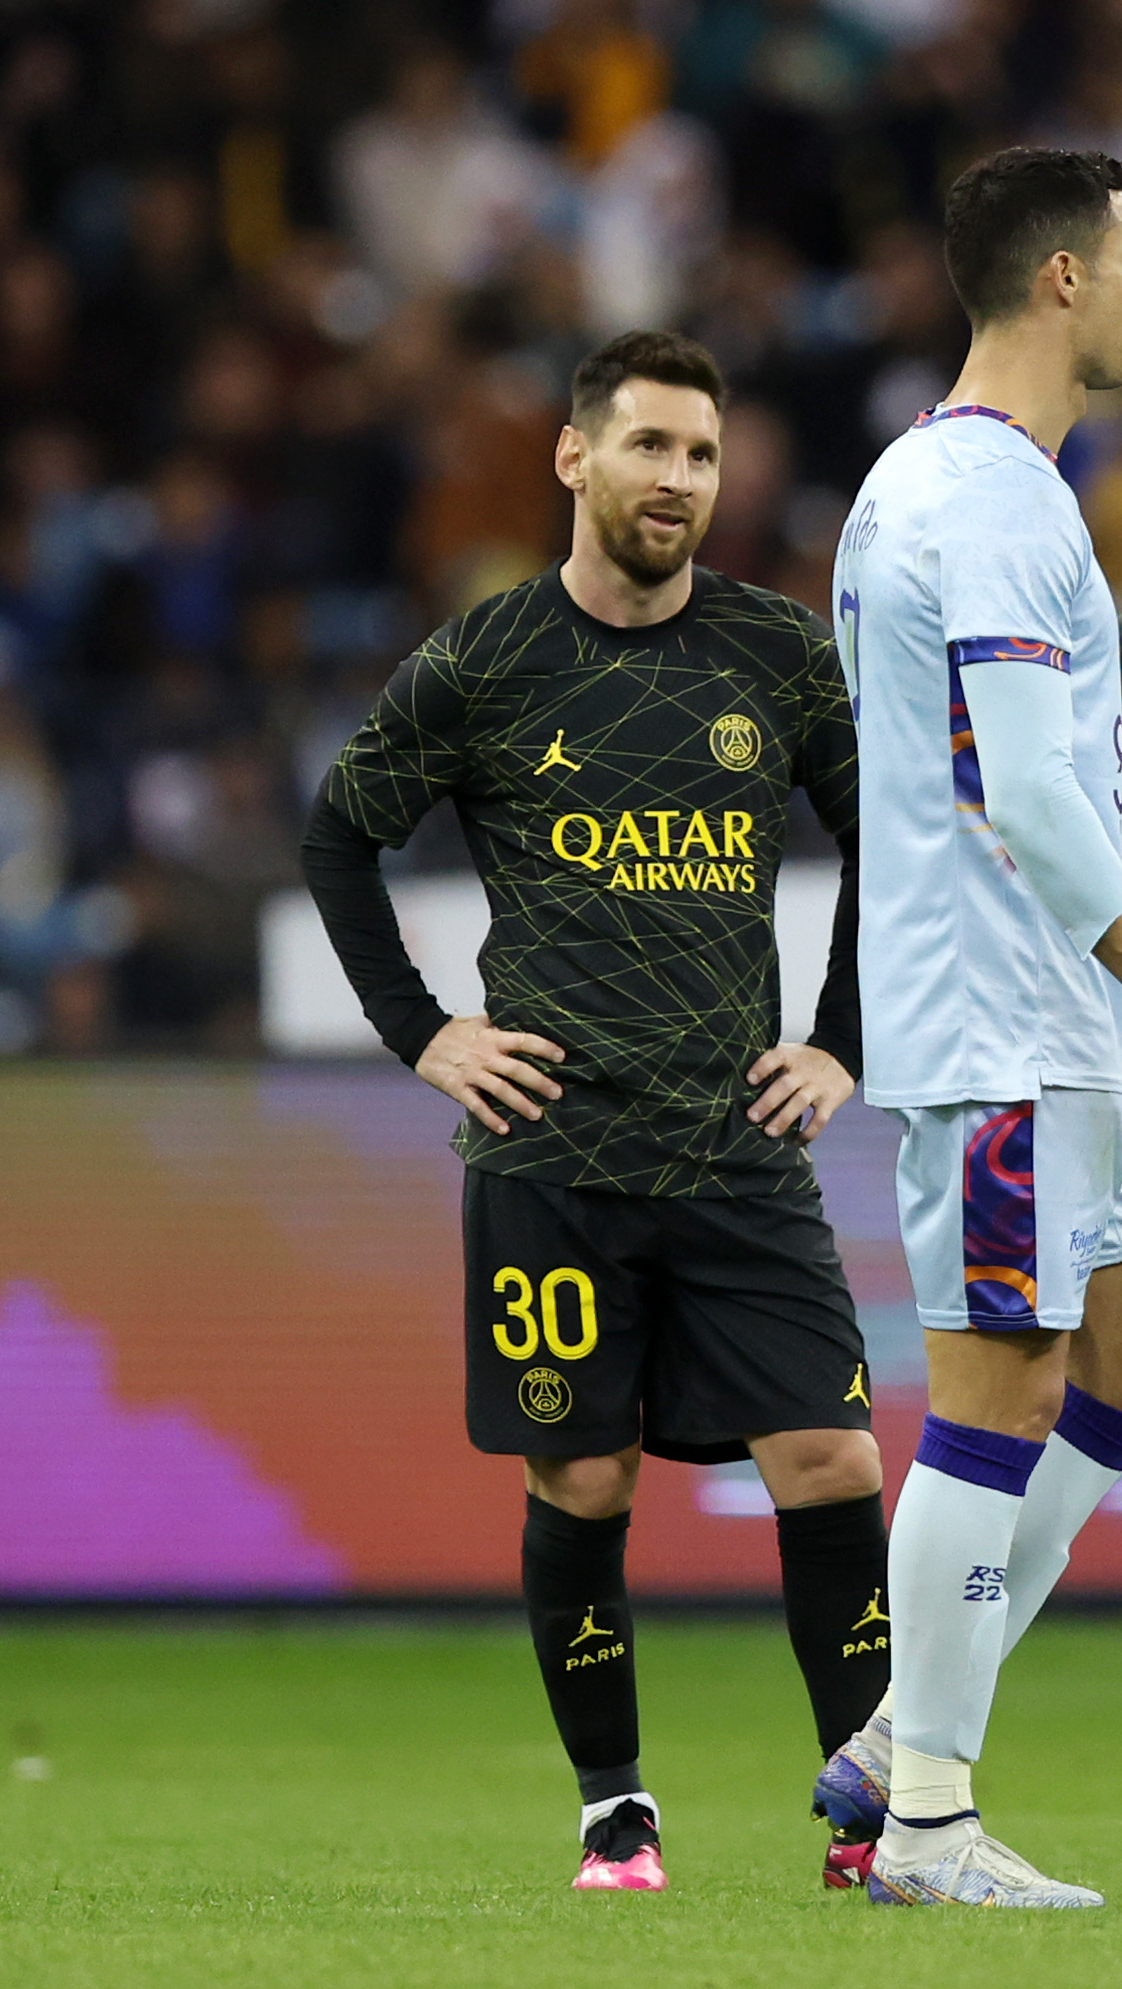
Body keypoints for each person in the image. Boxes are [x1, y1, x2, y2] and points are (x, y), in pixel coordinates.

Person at [299, 331, 893, 1894]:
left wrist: (840, 1043)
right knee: (583, 1480)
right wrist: (426, 1036)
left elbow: (891, 843)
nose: (679, 482)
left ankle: (872, 1818)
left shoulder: (777, 654)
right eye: (650, 449)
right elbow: (337, 838)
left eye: (702, 457)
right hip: (554, 1153)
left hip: (739, 1144)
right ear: (577, 459)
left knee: (833, 1461)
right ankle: (613, 1810)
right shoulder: (486, 659)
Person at [818, 146, 1122, 1909]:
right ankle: (926, 1818)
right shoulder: (992, 501)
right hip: (1008, 1022)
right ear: (1060, 280)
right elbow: (1025, 790)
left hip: (1045, 1020)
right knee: (993, 1398)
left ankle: (894, 1743)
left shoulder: (930, 485)